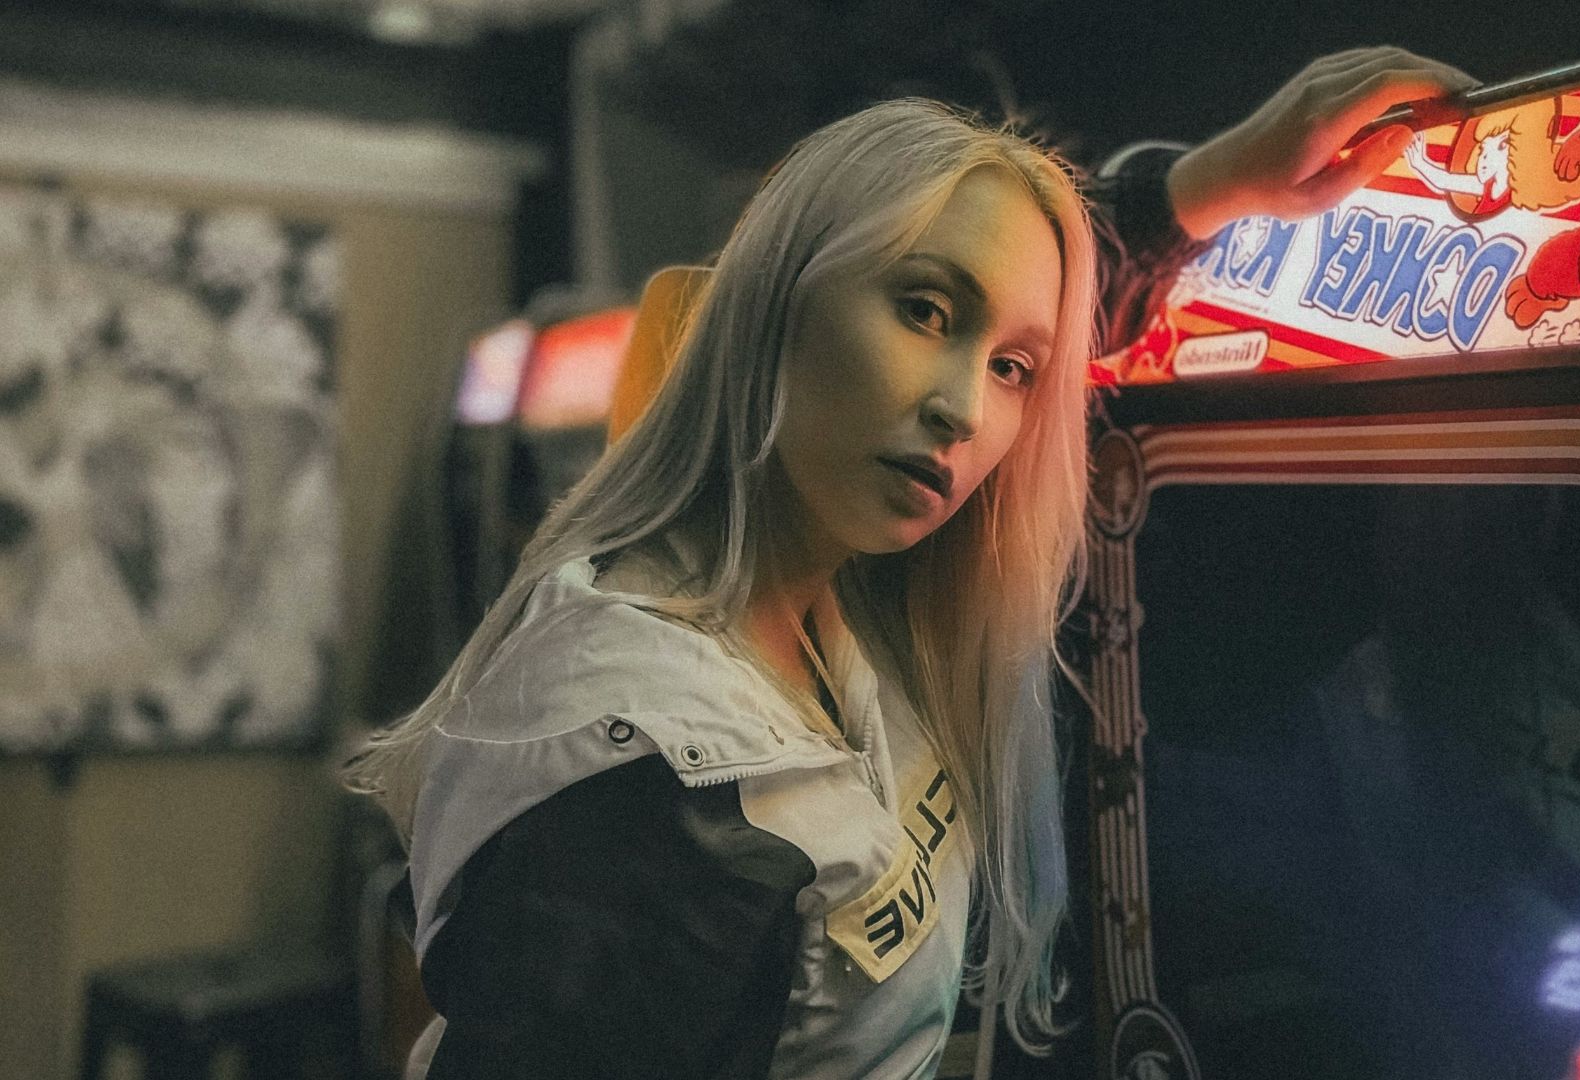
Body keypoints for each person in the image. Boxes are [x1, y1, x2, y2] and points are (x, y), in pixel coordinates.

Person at [343, 46, 1474, 1080]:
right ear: (778, 298)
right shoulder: (644, 782)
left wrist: (1226, 178)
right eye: (922, 310)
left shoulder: (849, 583)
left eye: (1016, 372)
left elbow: (1034, 294)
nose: (962, 410)